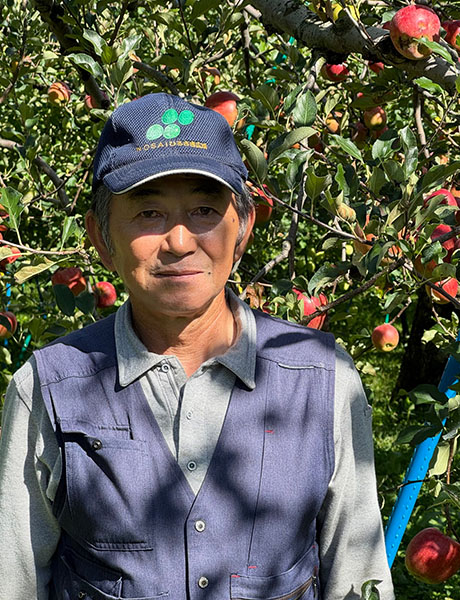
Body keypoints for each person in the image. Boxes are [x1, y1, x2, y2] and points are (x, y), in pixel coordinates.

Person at [0, 93, 394, 600]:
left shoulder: (323, 379)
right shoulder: (49, 388)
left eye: (205, 210)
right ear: (101, 239)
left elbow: (358, 575)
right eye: (148, 213)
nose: (180, 242)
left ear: (243, 228)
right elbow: (13, 580)